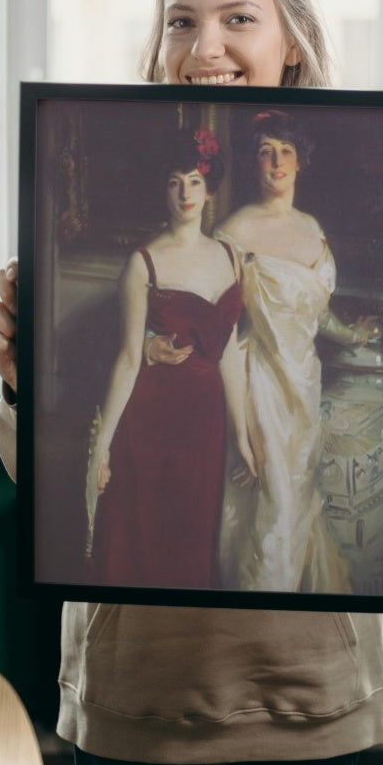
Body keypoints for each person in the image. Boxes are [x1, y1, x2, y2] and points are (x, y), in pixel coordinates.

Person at [0, 0, 383, 765]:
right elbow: (41, 475)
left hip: (300, 669)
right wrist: (18, 380)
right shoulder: (179, 241)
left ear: (291, 38)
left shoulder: (345, 197)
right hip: (140, 665)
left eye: (238, 18)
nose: (203, 44)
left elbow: (365, 395)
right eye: (180, 19)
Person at [212, 109, 373, 594]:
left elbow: (314, 312)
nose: (276, 162)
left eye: (286, 151)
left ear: (302, 161)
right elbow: (219, 328)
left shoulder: (312, 227)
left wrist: (352, 334)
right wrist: (240, 430)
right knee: (272, 503)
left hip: (306, 383)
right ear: (254, 163)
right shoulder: (234, 232)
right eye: (266, 151)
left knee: (298, 500)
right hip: (259, 383)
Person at [86, 128, 254, 590]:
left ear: (209, 187)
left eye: (195, 181)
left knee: (194, 544)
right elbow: (126, 359)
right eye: (175, 182)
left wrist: (241, 434)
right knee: (145, 543)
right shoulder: (144, 263)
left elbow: (230, 354)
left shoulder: (229, 256)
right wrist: (102, 449)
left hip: (206, 425)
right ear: (162, 188)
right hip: (151, 422)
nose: (186, 193)